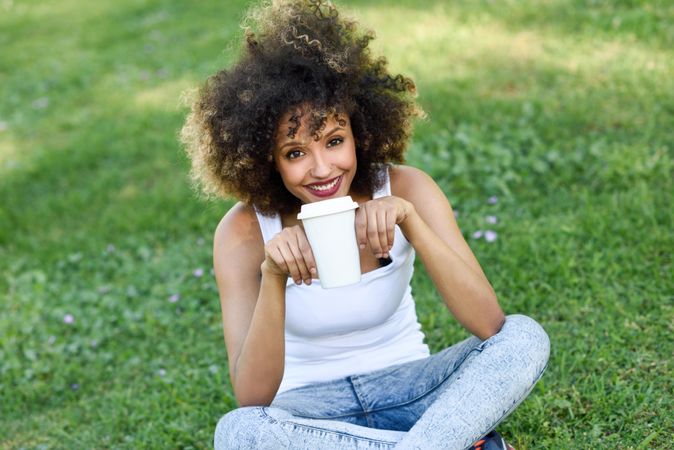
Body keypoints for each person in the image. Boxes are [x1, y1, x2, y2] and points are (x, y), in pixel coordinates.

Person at [181, 1, 550, 448]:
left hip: (414, 389)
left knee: (524, 336)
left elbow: (490, 323)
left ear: (359, 132)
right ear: (268, 160)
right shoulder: (242, 231)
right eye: (295, 152)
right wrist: (274, 275)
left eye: (335, 141)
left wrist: (410, 221)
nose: (322, 169)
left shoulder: (405, 188)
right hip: (311, 413)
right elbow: (253, 396)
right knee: (239, 432)